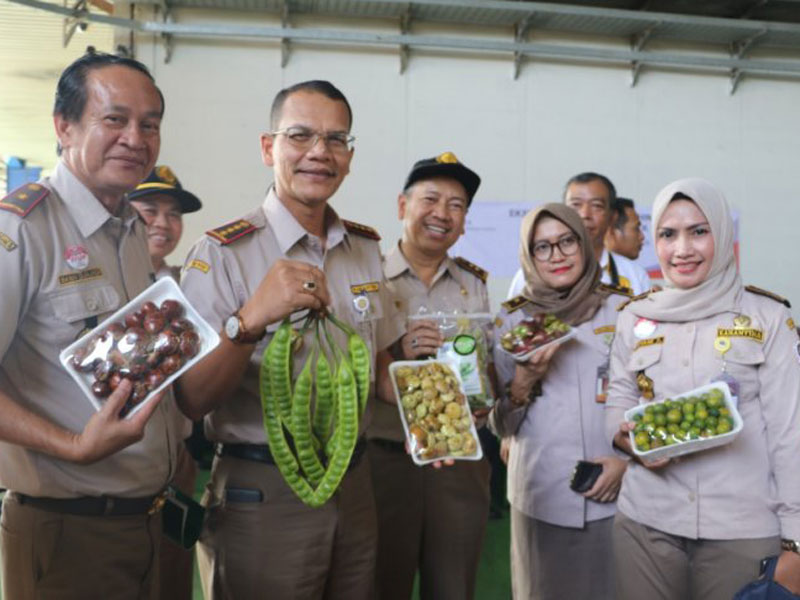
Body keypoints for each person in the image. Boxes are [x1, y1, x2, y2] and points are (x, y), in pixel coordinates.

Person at [177, 80, 404, 599]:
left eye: (337, 140)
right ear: (268, 147)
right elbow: (191, 398)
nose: (319, 153)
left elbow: (382, 366)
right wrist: (248, 321)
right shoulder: (222, 254)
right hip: (263, 491)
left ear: (349, 156)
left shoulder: (366, 250)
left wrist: (441, 410)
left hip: (355, 485)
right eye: (300, 135)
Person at [0, 51, 180, 599]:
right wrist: (74, 445)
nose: (136, 138)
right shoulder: (22, 232)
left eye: (150, 124)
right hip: (68, 532)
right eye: (115, 119)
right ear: (64, 126)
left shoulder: (127, 229)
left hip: (148, 524)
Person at [606, 178, 800, 600]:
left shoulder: (768, 318)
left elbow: (791, 435)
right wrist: (625, 438)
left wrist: (796, 538)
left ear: (723, 235)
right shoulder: (635, 316)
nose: (682, 249)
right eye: (667, 234)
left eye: (699, 231)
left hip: (742, 529)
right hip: (646, 522)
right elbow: (618, 397)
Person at [490, 203, 630, 600]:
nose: (558, 255)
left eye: (567, 241)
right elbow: (500, 425)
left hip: (613, 492)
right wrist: (522, 383)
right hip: (541, 494)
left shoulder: (625, 311)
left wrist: (629, 465)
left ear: (584, 243)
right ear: (529, 256)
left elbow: (649, 401)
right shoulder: (510, 322)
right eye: (543, 247)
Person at [369, 152, 491, 600]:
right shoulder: (368, 277)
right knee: (380, 584)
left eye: (456, 205)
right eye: (431, 199)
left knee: (453, 585)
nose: (442, 214)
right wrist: (396, 350)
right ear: (403, 206)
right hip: (383, 460)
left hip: (458, 460)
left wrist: (487, 398)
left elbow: (483, 364)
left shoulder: (473, 285)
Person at [128, 165, 203, 600]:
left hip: (177, 461)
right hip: (119, 461)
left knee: (173, 582)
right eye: (149, 210)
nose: (162, 223)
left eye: (173, 214)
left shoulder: (187, 289)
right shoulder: (105, 284)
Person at [507, 172, 650, 297]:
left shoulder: (634, 276)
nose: (584, 215)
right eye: (575, 205)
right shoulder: (530, 276)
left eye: (596, 206)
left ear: (612, 216)